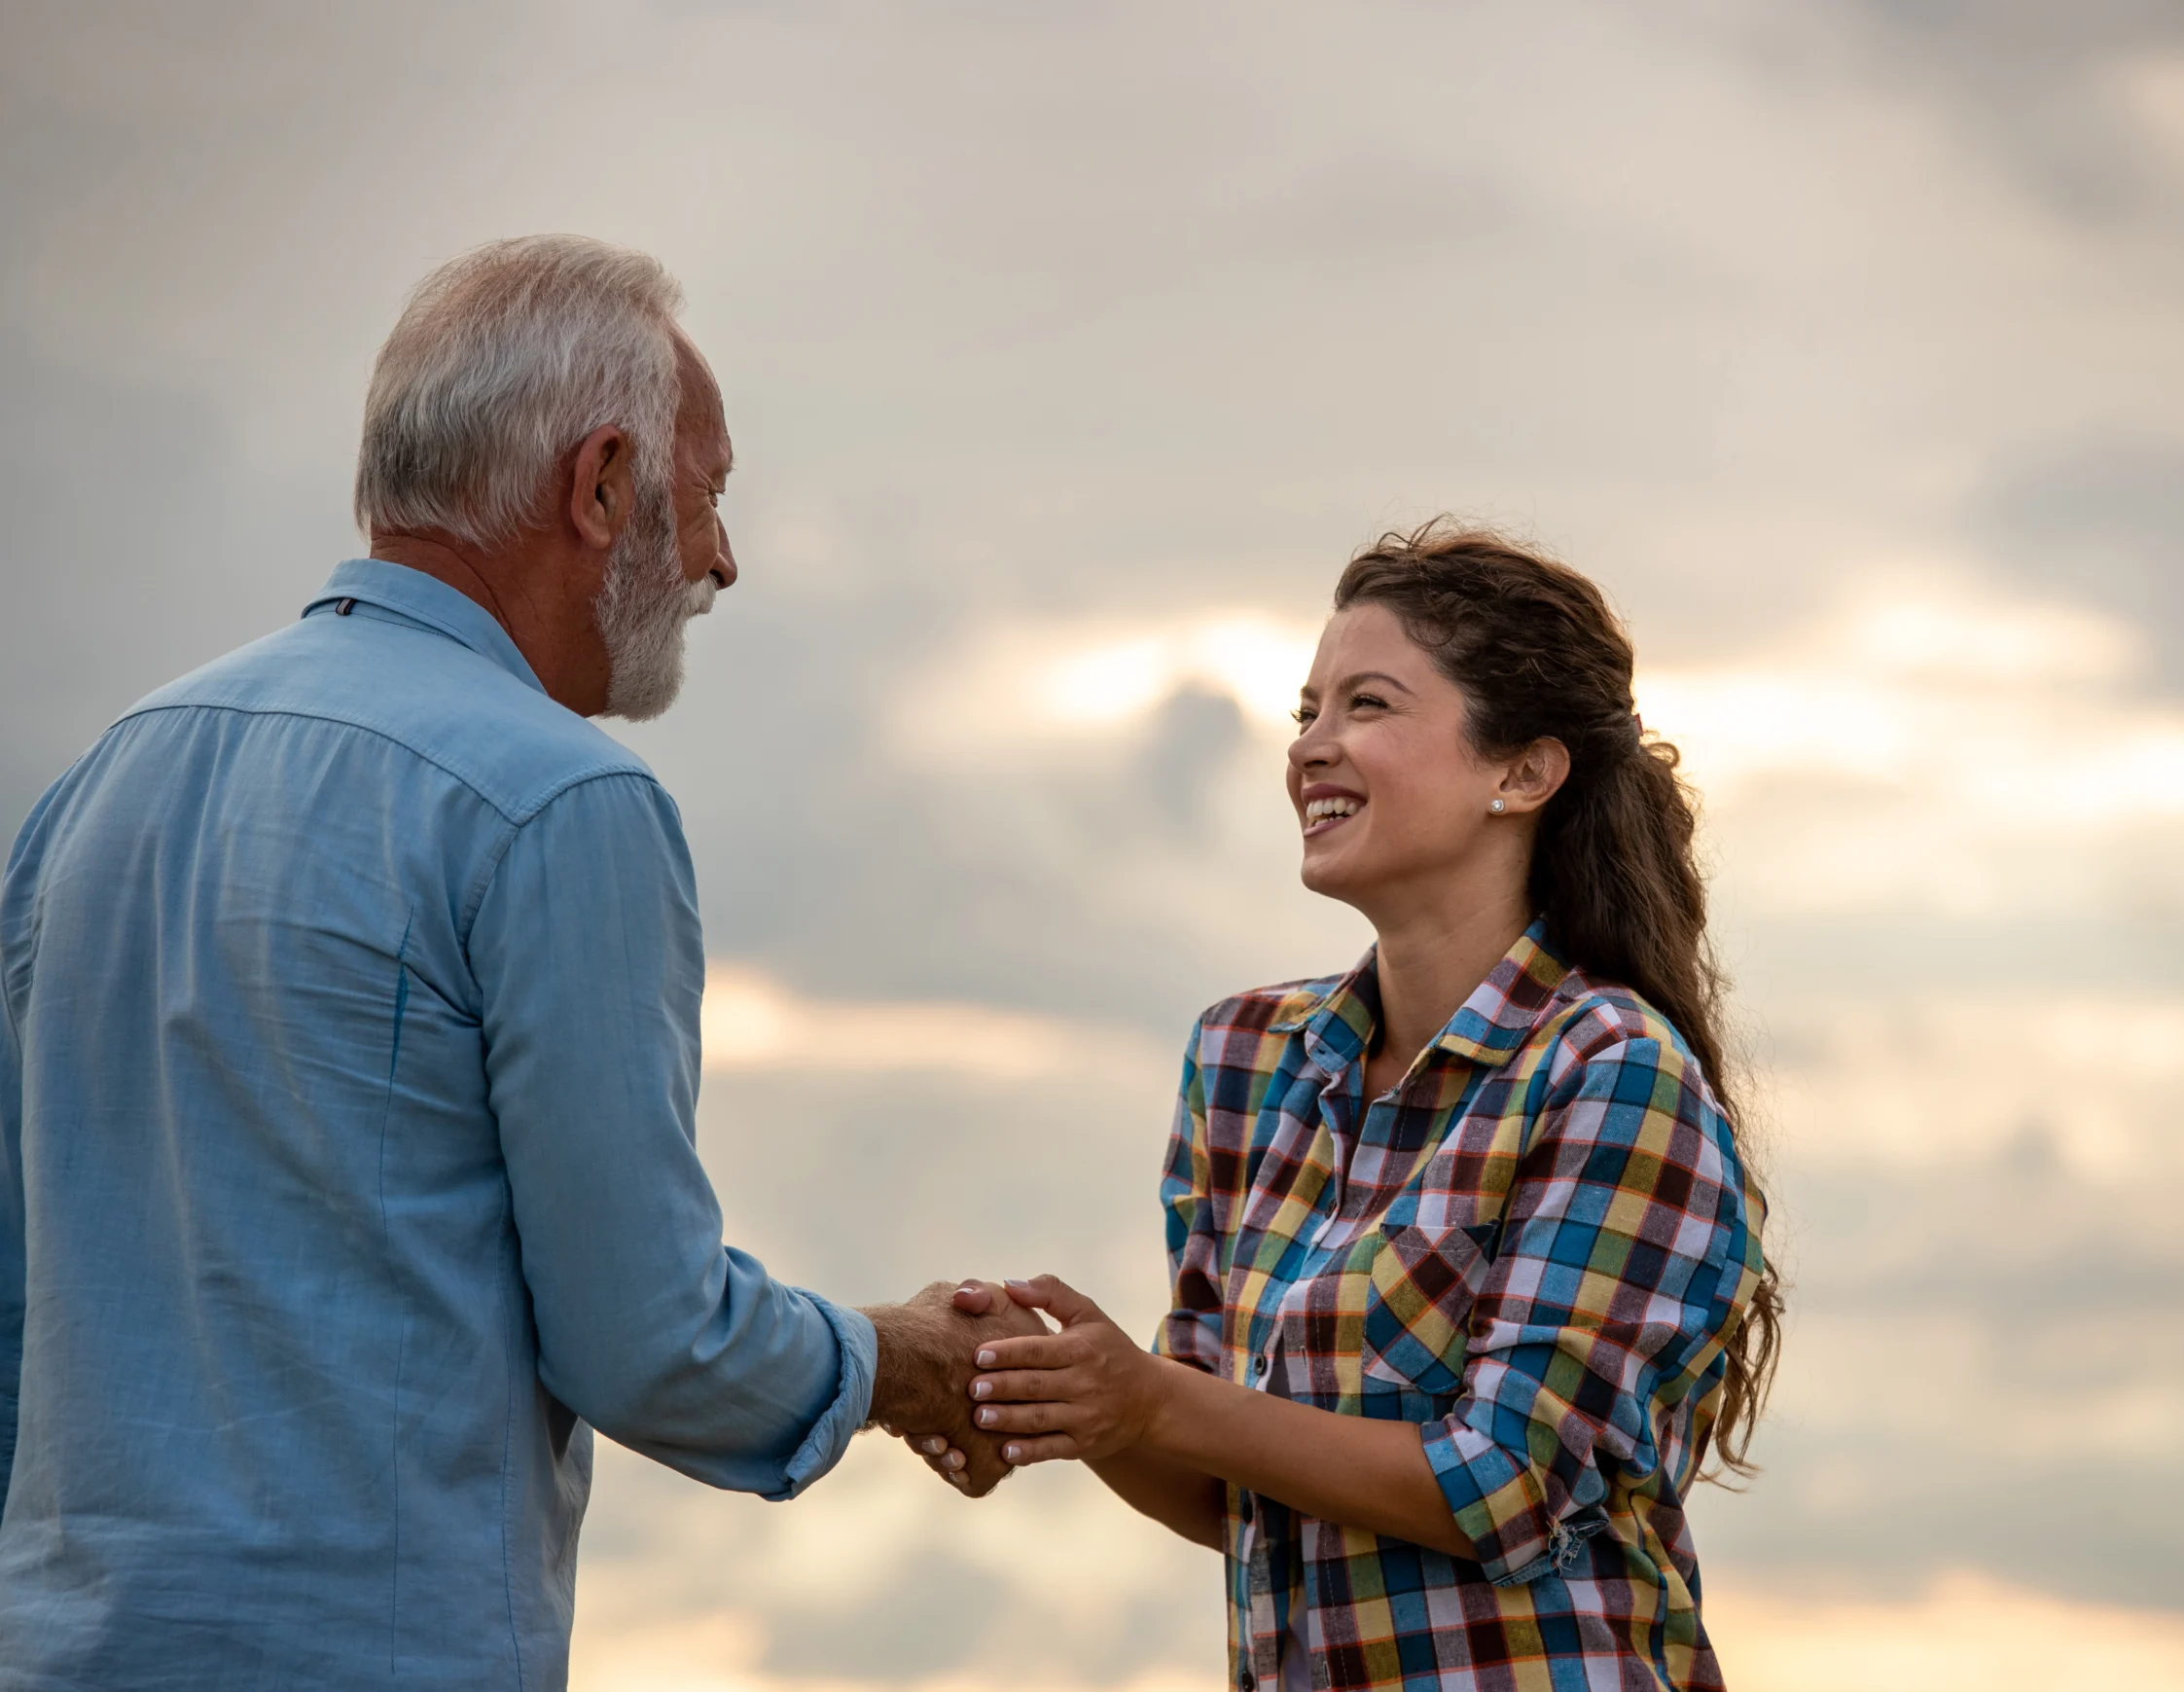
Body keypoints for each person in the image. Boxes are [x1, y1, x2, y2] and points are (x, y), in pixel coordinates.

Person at [0, 235, 1032, 1690]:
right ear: (602, 482)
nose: (723, 559)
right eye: (711, 492)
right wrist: (906, 1357)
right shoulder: (561, 802)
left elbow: (19, 1303)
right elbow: (646, 1338)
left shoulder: (101, 781)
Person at [920, 526, 1781, 1691]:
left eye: (1367, 705)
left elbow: (1506, 1483)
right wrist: (1060, 1394)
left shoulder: (1613, 1071)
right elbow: (1239, 1493)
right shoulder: (1245, 1058)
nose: (1311, 748)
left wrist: (1149, 1395)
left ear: (1521, 773)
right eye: (1306, 711)